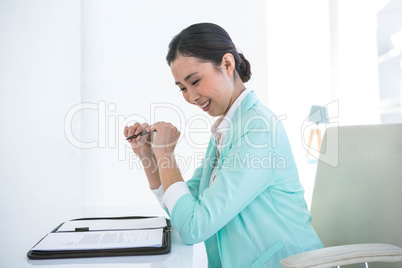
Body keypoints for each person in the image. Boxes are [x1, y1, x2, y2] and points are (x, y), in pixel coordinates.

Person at [123, 22, 323, 268]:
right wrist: (149, 157)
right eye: (182, 89)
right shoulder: (226, 130)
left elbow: (193, 228)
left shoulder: (258, 129)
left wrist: (165, 153)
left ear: (227, 65)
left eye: (194, 81)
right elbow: (183, 212)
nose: (191, 97)